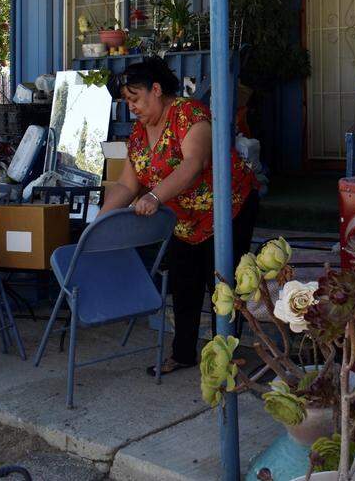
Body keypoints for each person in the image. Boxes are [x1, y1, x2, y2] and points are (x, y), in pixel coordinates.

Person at [101, 56, 259, 375]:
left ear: (156, 89)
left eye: (135, 98)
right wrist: (100, 221)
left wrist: (154, 196)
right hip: (185, 219)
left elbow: (194, 164)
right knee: (184, 284)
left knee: (222, 286)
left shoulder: (189, 113)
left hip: (228, 210)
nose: (131, 107)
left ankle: (224, 359)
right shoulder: (139, 133)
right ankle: (183, 354)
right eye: (127, 101)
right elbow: (126, 183)